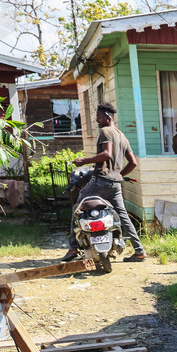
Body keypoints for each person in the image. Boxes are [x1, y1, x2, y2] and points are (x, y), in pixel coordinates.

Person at [62, 102, 146, 263]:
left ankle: (73, 248)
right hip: (115, 184)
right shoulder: (122, 135)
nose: (97, 121)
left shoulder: (106, 131)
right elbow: (133, 163)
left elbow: (106, 154)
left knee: (77, 209)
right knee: (123, 217)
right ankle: (140, 251)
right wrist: (118, 175)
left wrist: (84, 160)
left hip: (100, 180)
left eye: (99, 117)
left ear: (108, 117)